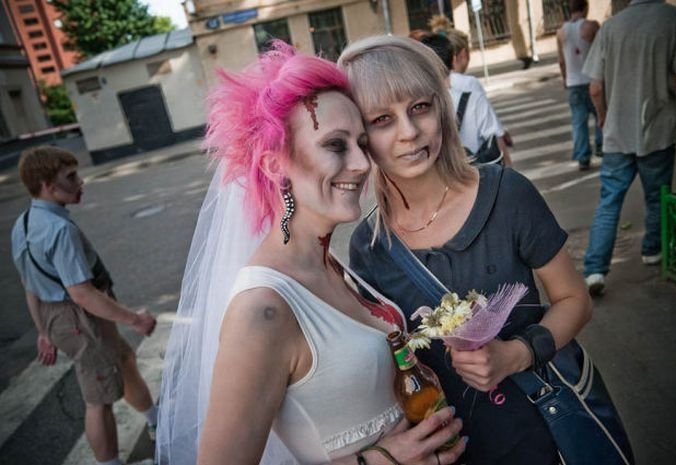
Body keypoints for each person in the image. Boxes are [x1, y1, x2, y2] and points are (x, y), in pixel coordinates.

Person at [156, 41, 466, 465]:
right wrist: (378, 461)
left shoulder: (328, 262)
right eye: (336, 146)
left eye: (361, 142)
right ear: (273, 167)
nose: (361, 164)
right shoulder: (262, 310)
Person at [339, 35, 593, 465]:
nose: (410, 131)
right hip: (452, 448)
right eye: (382, 119)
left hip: (541, 431)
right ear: (359, 136)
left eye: (420, 107)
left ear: (441, 106)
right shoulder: (369, 247)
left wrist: (517, 354)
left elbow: (576, 300)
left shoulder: (507, 194)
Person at [10, 146, 158, 465]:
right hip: (78, 318)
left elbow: (30, 285)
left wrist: (43, 331)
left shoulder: (23, 224)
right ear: (49, 185)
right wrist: (135, 319)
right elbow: (82, 294)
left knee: (122, 358)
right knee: (99, 398)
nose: (80, 182)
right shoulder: (59, 230)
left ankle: (156, 419)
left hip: (59, 316)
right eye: (71, 177)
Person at [581, 0, 676, 295]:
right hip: (657, 129)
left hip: (618, 131)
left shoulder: (610, 28)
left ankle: (595, 271)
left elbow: (594, 88)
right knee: (657, 196)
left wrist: (604, 116)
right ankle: (652, 250)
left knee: (609, 201)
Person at [426, 17, 513, 165]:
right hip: (474, 169)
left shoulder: (420, 102)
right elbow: (493, 134)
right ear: (454, 58)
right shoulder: (470, 86)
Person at [556, 0, 602, 171]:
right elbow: (602, 52)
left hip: (574, 82)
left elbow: (561, 60)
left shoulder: (561, 32)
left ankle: (583, 157)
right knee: (599, 115)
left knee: (578, 121)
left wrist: (565, 79)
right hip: (592, 79)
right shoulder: (592, 27)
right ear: (586, 7)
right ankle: (601, 146)